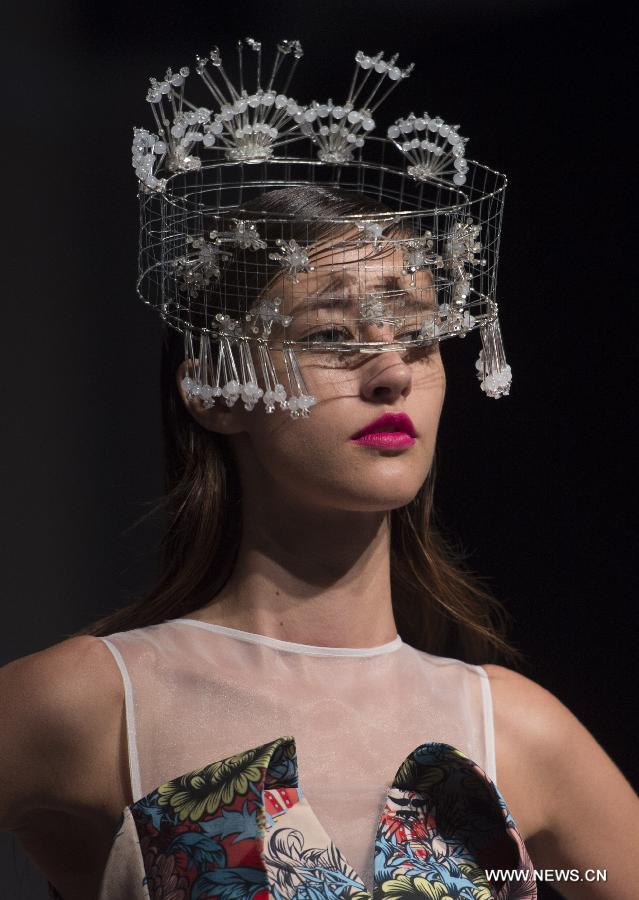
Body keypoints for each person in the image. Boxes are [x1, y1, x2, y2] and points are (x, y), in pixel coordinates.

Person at [2, 40, 638, 900]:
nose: (391, 372)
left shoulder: (513, 730)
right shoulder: (93, 704)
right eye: (333, 336)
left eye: (418, 335)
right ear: (214, 388)